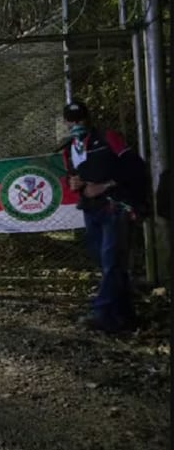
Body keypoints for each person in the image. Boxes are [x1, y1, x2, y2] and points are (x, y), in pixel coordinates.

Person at [60, 101, 136, 334]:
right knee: (107, 264)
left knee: (111, 259)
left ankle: (101, 312)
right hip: (90, 209)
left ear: (88, 118)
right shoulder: (68, 148)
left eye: (80, 119)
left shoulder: (108, 137)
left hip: (114, 206)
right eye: (72, 120)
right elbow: (72, 177)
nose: (76, 124)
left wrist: (105, 185)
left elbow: (134, 167)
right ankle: (123, 316)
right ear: (67, 122)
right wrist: (74, 184)